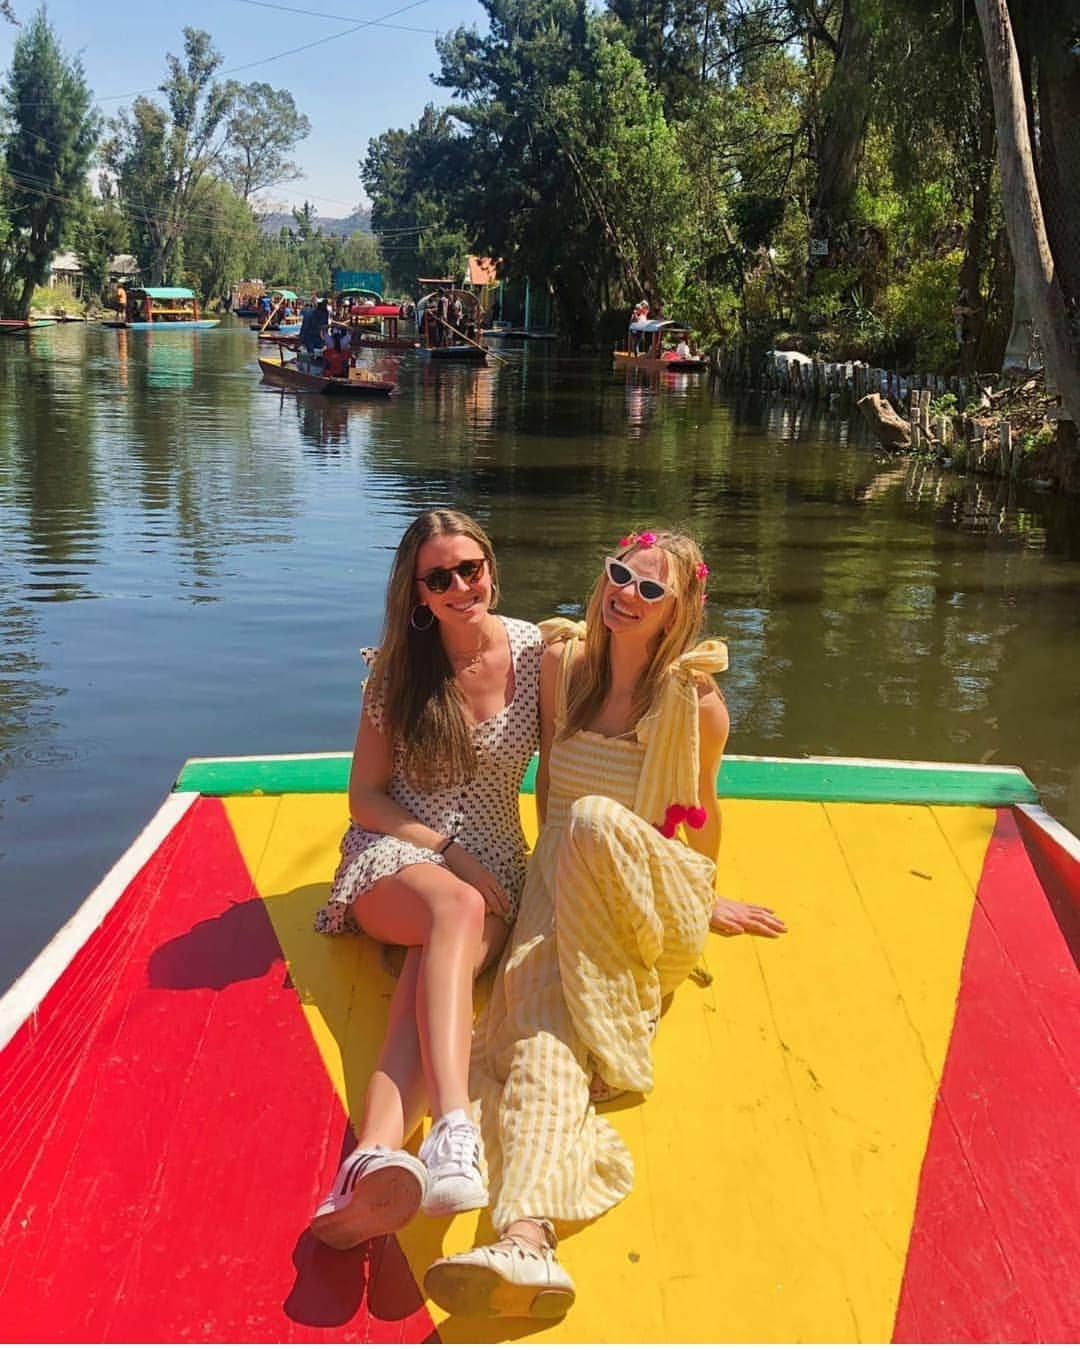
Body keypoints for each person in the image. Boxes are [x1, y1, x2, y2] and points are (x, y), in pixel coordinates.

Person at [423, 528, 786, 1319]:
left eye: (650, 590)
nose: (627, 594)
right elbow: (547, 780)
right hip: (561, 884)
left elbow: (704, 814)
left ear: (678, 609)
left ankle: (532, 1220)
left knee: (590, 819)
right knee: (533, 1042)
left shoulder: (696, 704)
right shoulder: (564, 666)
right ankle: (525, 1240)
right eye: (621, 575)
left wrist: (705, 896)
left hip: (646, 895)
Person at [309, 509, 543, 1251]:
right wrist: (449, 850)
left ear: (491, 568)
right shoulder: (399, 672)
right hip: (397, 857)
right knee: (453, 903)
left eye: (468, 568)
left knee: (423, 990)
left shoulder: (538, 652)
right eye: (438, 577)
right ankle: (454, 1128)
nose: (459, 586)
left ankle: (370, 1159)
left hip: (499, 868)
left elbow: (613, 708)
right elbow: (365, 798)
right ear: (418, 593)